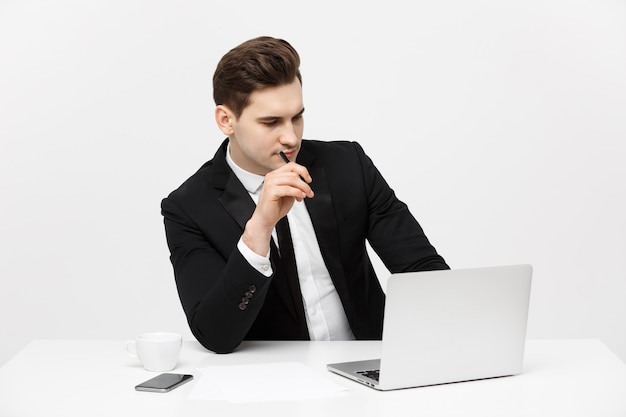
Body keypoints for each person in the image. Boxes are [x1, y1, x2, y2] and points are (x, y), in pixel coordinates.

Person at [161, 36, 449, 354]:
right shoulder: (188, 207)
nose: (291, 136)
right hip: (273, 385)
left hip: (369, 367)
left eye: (297, 117)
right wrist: (259, 228)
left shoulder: (348, 164)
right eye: (271, 122)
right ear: (226, 120)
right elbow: (215, 334)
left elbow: (421, 270)